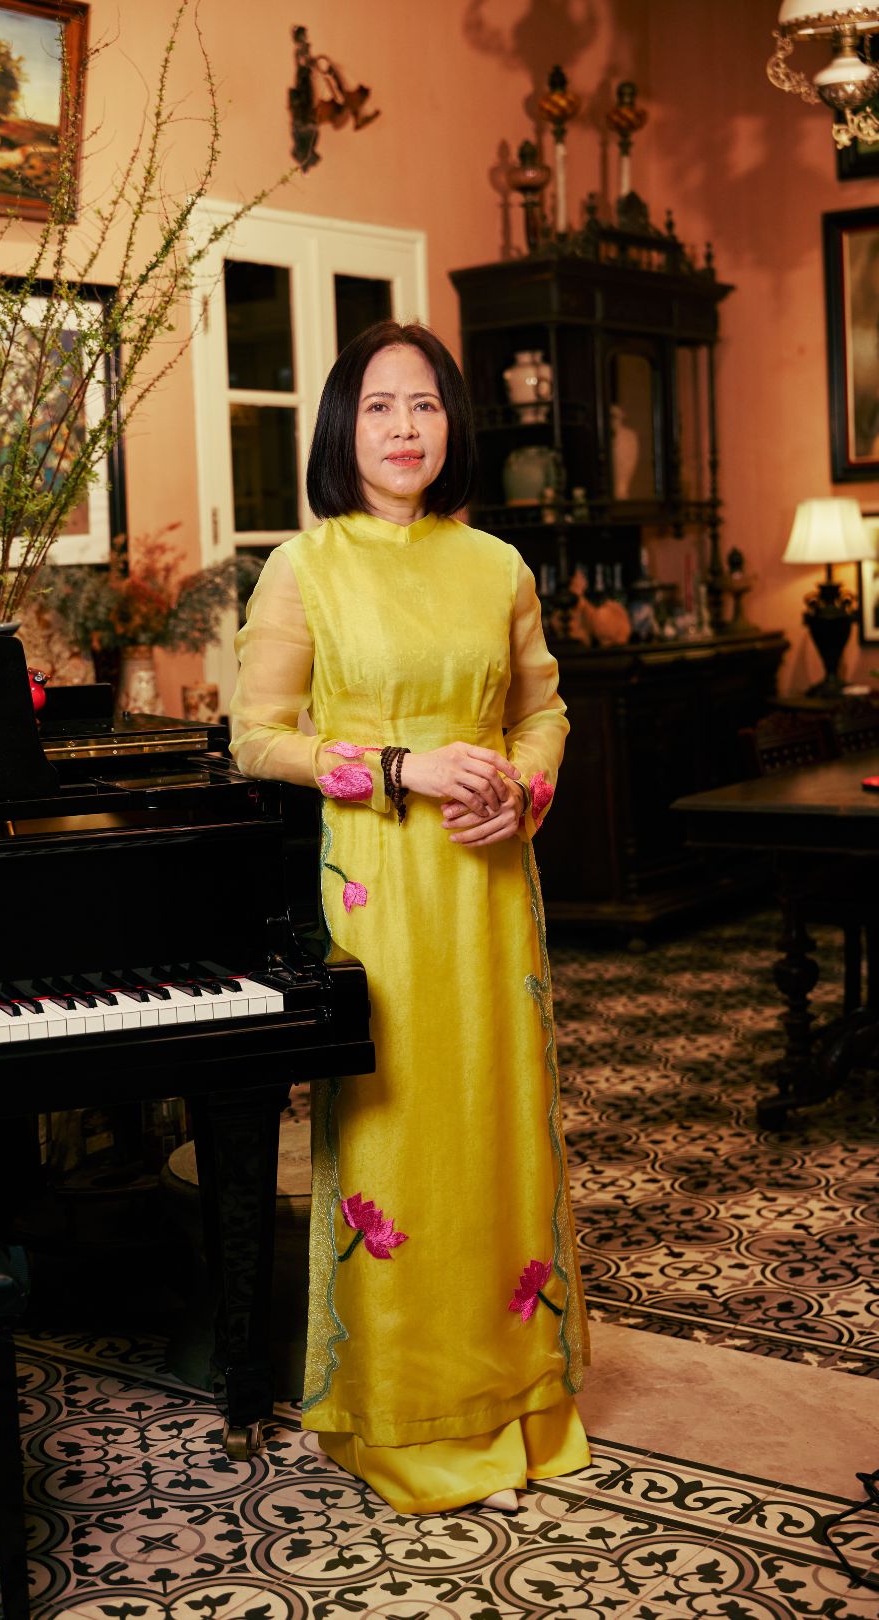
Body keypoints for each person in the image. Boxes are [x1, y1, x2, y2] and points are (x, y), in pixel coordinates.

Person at [229, 320, 590, 1515]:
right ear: (344, 427)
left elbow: (543, 712)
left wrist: (522, 792)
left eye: (425, 405)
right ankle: (404, 1414)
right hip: (379, 886)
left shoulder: (498, 567)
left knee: (499, 1125)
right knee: (404, 1134)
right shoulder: (305, 568)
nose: (403, 427)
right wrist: (399, 769)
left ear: (452, 425)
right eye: (379, 406)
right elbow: (256, 738)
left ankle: (517, 1395)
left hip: (490, 884)